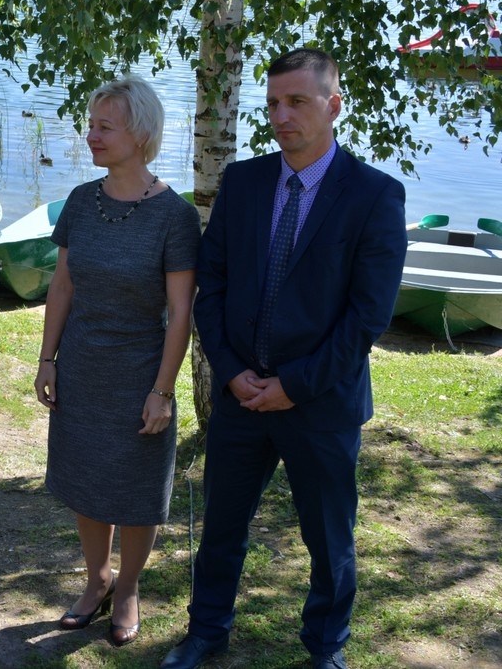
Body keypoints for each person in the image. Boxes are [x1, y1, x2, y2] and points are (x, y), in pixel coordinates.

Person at [159, 49, 407, 669]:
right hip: (241, 395)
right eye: (272, 102)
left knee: (328, 539)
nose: (280, 115)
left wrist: (294, 385)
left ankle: (326, 648)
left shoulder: (375, 196)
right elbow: (211, 284)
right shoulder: (243, 181)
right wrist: (229, 368)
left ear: (333, 105)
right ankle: (207, 630)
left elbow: (366, 318)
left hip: (319, 403)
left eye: (296, 101)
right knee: (221, 528)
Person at [33, 76, 200, 647]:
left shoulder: (174, 216)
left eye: (106, 126)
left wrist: (163, 389)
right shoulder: (81, 201)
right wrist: (47, 357)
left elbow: (181, 313)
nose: (91, 135)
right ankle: (95, 578)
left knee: (134, 488)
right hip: (82, 366)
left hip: (140, 374)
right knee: (84, 480)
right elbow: (62, 286)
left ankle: (127, 586)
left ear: (142, 133)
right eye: (92, 124)